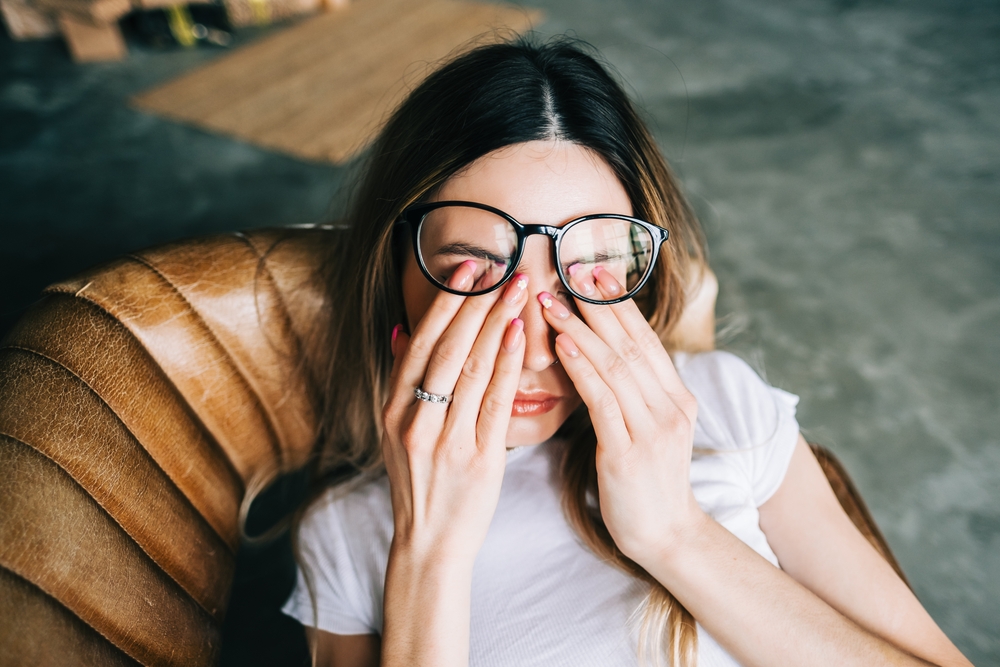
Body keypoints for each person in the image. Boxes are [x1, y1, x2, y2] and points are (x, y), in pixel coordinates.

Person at [281, 36, 972, 667]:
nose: (536, 352)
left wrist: (675, 533)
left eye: (588, 274)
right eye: (476, 274)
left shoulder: (721, 405)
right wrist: (430, 551)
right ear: (393, 270)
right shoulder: (346, 533)